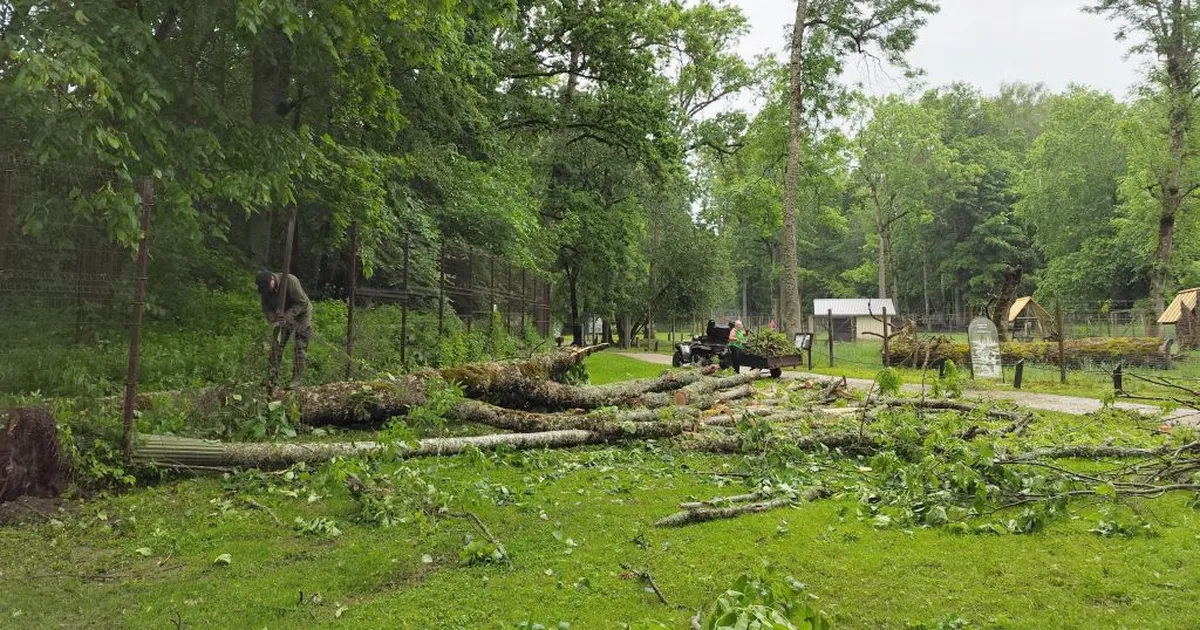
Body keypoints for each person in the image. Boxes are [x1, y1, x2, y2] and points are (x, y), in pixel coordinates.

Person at [256, 271, 312, 389]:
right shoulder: (265, 289)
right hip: (281, 317)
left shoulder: (290, 281)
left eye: (267, 287)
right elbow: (266, 307)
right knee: (276, 346)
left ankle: (296, 380)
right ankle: (272, 378)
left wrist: (287, 316)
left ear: (272, 279)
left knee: (300, 346)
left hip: (301, 314)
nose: (267, 291)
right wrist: (272, 317)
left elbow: (301, 303)